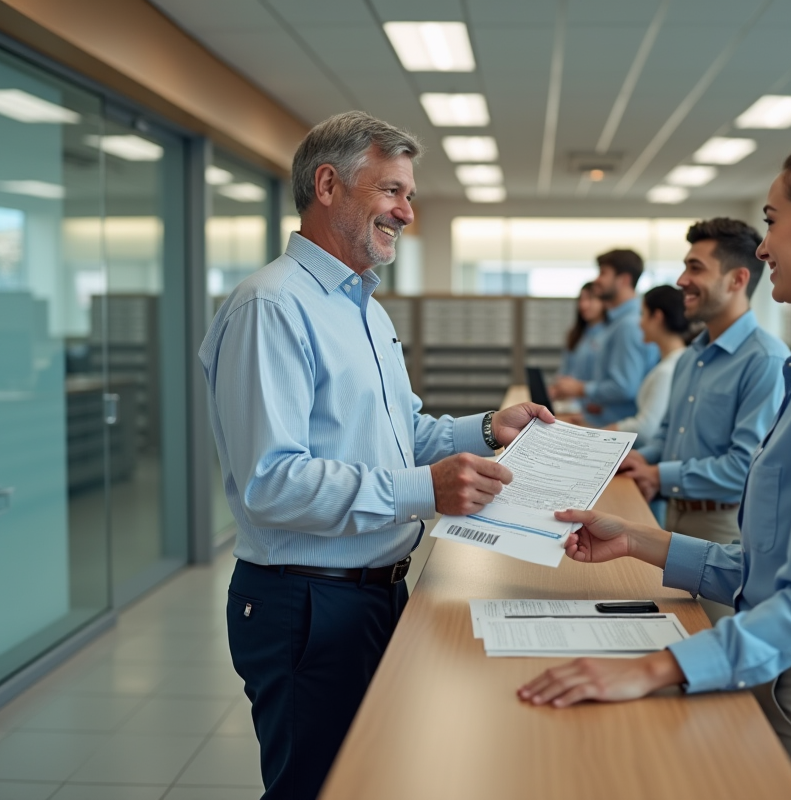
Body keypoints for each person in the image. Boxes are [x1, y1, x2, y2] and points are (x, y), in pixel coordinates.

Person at [519, 135, 791, 800]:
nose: (761, 246)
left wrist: (653, 669)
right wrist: (639, 540)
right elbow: (774, 574)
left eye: (773, 221)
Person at [199, 111, 553, 799]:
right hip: (305, 602)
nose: (406, 211)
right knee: (317, 785)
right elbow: (273, 481)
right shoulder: (271, 307)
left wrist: (486, 429)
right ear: (328, 185)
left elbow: (402, 434)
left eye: (409, 196)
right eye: (392, 191)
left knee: (369, 781)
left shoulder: (363, 306)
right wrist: (426, 490)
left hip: (375, 593)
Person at [618, 218, 789, 560]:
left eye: (695, 268)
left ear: (737, 279)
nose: (682, 281)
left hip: (725, 527)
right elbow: (668, 437)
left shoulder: (766, 360)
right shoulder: (690, 357)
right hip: (674, 513)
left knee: (714, 618)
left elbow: (744, 467)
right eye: (684, 267)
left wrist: (656, 473)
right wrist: (638, 459)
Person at [549, 249, 659, 425]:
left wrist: (580, 389)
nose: (597, 280)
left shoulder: (628, 324)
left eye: (603, 273)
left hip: (615, 431)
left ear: (624, 280)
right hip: (601, 421)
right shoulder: (617, 322)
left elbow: (624, 388)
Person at [604, 285, 689, 447]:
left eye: (643, 314)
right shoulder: (674, 361)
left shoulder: (668, 370)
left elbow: (646, 429)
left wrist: (602, 432)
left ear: (657, 317)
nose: (639, 323)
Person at [559, 281, 608, 382]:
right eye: (581, 300)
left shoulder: (609, 334)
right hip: (568, 396)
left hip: (590, 395)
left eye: (590, 299)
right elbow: (564, 370)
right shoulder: (575, 334)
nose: (583, 305)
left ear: (603, 302)